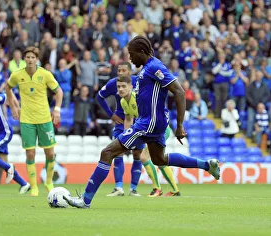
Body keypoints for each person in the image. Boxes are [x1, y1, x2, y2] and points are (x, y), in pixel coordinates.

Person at [67, 36, 220, 209]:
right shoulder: (147, 69)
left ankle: (85, 200)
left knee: (107, 153)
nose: (130, 59)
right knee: (160, 159)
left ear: (141, 52)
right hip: (153, 122)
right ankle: (207, 165)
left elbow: (179, 91)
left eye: (132, 54)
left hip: (149, 123)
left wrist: (180, 125)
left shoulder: (154, 67)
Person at [5, 46, 63, 197]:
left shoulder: (45, 74)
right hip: (27, 120)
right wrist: (13, 106)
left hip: (44, 119)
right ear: (24, 59)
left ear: (37, 59)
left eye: (33, 57)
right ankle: (34, 186)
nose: (30, 60)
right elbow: (8, 88)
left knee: (50, 153)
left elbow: (59, 92)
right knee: (30, 154)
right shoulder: (17, 75)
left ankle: (49, 182)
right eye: (28, 57)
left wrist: (56, 110)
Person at [117, 75, 180, 197]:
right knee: (159, 159)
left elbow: (151, 114)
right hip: (150, 130)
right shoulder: (123, 101)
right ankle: (174, 190)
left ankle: (157, 189)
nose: (121, 89)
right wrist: (125, 139)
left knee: (145, 157)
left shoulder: (138, 98)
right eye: (118, 87)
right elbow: (129, 119)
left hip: (159, 128)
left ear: (131, 87)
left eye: (123, 86)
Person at [97, 62, 143, 197]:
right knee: (117, 152)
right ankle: (118, 188)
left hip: (139, 122)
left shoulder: (138, 82)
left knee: (137, 154)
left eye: (124, 70)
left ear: (130, 72)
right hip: (121, 122)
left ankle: (133, 189)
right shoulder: (113, 83)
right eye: (119, 70)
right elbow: (99, 96)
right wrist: (111, 115)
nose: (121, 73)